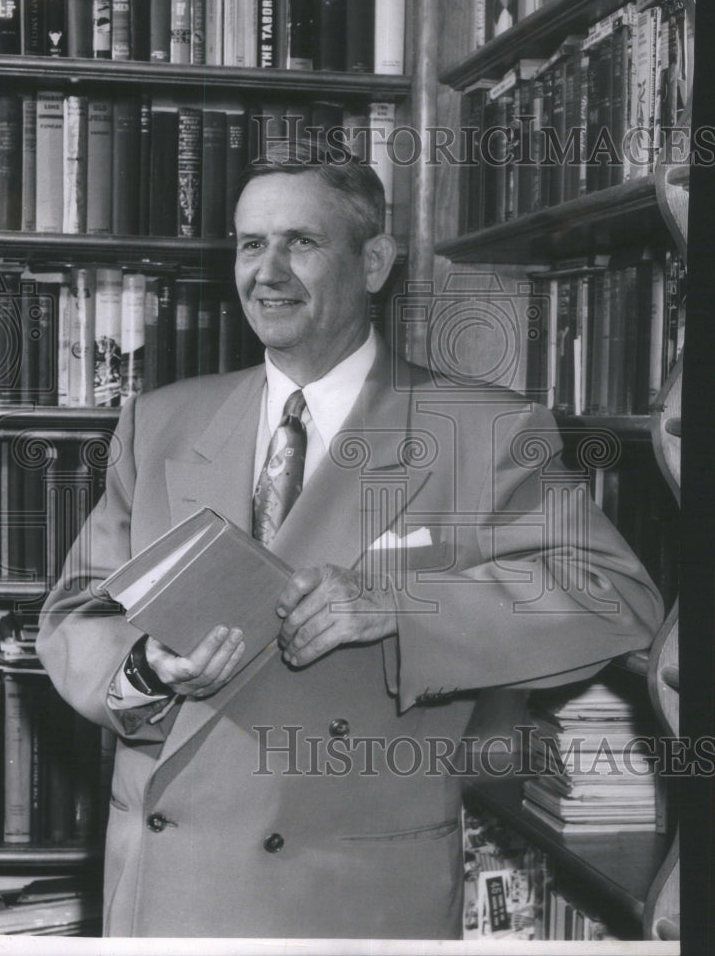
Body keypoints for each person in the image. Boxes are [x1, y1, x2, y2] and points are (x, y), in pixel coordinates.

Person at [37, 142, 663, 939]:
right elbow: (73, 617)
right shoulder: (160, 422)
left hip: (351, 892)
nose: (266, 271)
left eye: (299, 242)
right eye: (249, 243)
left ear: (373, 262)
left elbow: (617, 599)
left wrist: (400, 604)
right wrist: (145, 667)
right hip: (168, 887)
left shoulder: (479, 428)